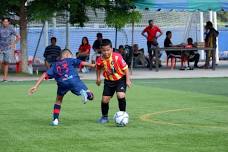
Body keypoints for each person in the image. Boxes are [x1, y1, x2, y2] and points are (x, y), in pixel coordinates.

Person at [29, 49, 96, 126]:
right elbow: (82, 63)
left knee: (58, 100)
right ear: (67, 55)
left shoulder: (55, 65)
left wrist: (36, 86)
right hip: (73, 80)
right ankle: (87, 94)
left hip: (62, 83)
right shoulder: (70, 60)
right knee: (91, 96)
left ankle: (55, 120)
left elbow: (45, 74)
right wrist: (92, 65)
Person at [96, 39, 131, 124]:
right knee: (105, 100)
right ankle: (104, 117)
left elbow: (126, 68)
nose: (106, 52)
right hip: (109, 81)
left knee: (120, 95)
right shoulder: (100, 59)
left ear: (111, 49)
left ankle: (123, 114)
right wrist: (98, 78)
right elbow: (98, 68)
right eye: (104, 50)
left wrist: (128, 80)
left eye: (108, 50)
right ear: (101, 50)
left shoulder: (117, 57)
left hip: (120, 79)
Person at [0, 17, 20, 82]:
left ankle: (5, 78)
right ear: (2, 22)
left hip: (8, 49)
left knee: (6, 63)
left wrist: (13, 44)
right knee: (0, 61)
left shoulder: (11, 29)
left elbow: (18, 37)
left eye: (6, 22)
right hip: (0, 48)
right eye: (4, 22)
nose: (5, 23)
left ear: (9, 22)